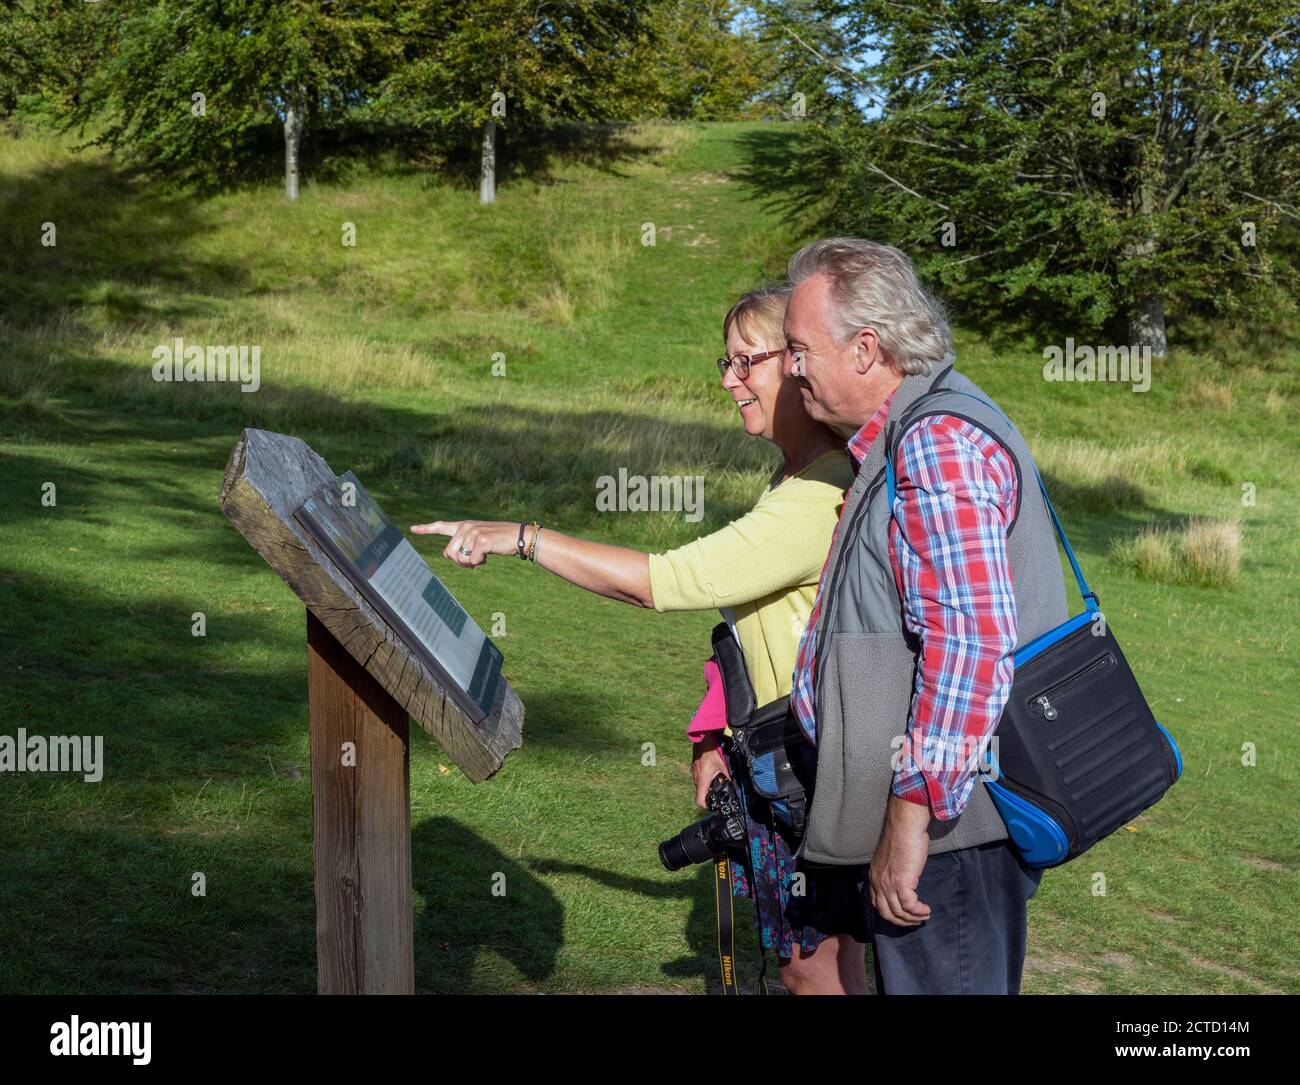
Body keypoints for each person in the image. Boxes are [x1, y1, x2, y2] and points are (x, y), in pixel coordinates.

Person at [410, 285, 869, 994]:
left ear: (798, 365)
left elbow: (661, 580)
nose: (728, 380)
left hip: (812, 767)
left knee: (814, 969)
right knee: (813, 960)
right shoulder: (795, 480)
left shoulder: (816, 496)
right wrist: (710, 737)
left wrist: (522, 537)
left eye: (747, 360)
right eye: (726, 361)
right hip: (792, 759)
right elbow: (749, 630)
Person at [781, 237, 1067, 994]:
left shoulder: (936, 442)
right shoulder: (908, 433)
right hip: (942, 821)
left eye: (800, 349)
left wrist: (912, 819)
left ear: (866, 349)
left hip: (951, 832)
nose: (792, 367)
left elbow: (970, 643)